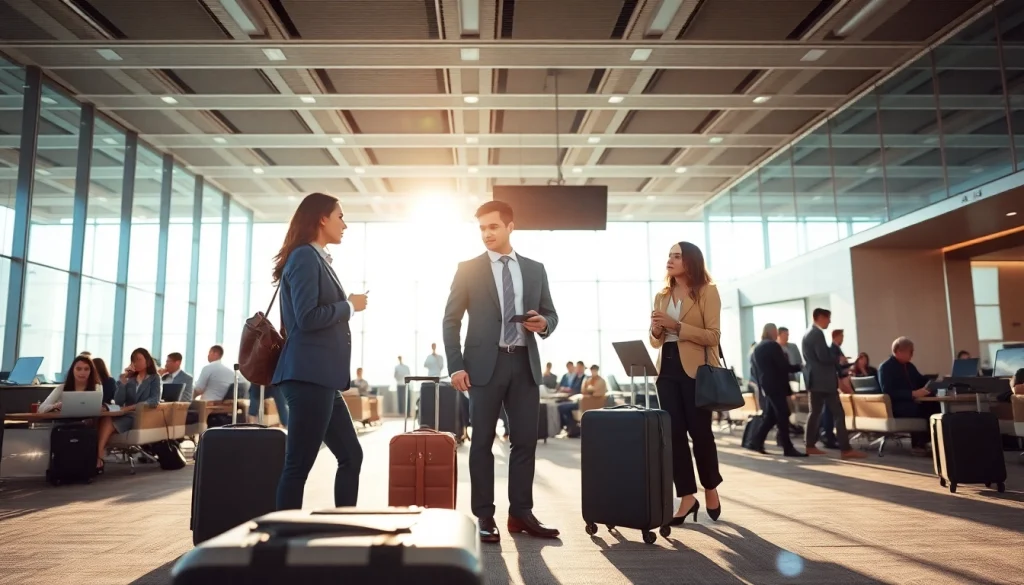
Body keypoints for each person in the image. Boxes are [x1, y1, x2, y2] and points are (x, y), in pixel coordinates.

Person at [442, 200, 559, 543]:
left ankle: (520, 513)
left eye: (493, 226)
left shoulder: (535, 269)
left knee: (525, 442)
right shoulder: (467, 269)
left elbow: (551, 313)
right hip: (482, 366)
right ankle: (484, 515)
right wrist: (456, 365)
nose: (487, 233)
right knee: (481, 443)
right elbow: (450, 321)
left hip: (524, 363)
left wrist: (544, 324)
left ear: (510, 227)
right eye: (481, 228)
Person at [271, 192, 368, 511]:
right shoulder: (303, 257)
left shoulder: (316, 258)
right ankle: (281, 541)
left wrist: (346, 305)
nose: (346, 224)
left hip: (320, 379)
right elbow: (307, 318)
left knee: (351, 455)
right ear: (322, 218)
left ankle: (345, 523)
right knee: (297, 466)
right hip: (308, 377)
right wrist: (349, 307)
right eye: (340, 216)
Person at [649, 241, 723, 525]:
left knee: (701, 433)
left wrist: (676, 326)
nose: (670, 259)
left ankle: (711, 487)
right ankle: (687, 496)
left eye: (677, 256)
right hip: (666, 368)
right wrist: (657, 329)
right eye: (669, 255)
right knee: (674, 435)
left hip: (696, 371)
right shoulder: (662, 294)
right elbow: (655, 340)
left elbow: (713, 336)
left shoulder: (707, 291)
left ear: (690, 261)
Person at [801, 309, 865, 459]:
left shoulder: (807, 333)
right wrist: (838, 360)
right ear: (821, 318)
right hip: (824, 382)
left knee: (815, 413)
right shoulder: (817, 334)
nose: (829, 322)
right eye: (828, 319)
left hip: (814, 380)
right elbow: (823, 357)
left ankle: (809, 445)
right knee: (838, 414)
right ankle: (846, 449)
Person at [95, 348, 163, 474]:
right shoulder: (131, 380)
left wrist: (131, 407)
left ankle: (98, 456)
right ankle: (98, 456)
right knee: (104, 418)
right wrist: (123, 382)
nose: (135, 362)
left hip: (141, 416)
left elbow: (154, 400)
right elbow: (119, 401)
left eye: (138, 359)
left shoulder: (154, 378)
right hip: (126, 414)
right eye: (133, 360)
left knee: (107, 420)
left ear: (147, 361)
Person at [747, 324, 806, 457]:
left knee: (772, 416)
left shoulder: (758, 348)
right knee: (783, 414)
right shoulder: (773, 346)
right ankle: (787, 447)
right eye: (775, 331)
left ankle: (755, 441)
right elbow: (783, 366)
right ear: (771, 332)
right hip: (777, 386)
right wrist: (799, 367)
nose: (776, 334)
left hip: (767, 386)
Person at [877, 337, 940, 455]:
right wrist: (912, 394)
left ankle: (934, 442)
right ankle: (918, 444)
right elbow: (888, 392)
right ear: (899, 351)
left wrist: (936, 382)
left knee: (935, 406)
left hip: (911, 402)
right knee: (921, 409)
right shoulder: (885, 368)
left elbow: (920, 380)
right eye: (910, 351)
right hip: (896, 406)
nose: (912, 355)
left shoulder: (909, 366)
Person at [38, 355, 102, 413]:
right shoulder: (61, 388)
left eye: (86, 369)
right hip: (65, 423)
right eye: (78, 369)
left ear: (91, 371)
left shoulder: (97, 387)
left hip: (89, 423)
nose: (82, 372)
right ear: (72, 370)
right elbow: (41, 409)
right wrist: (55, 406)